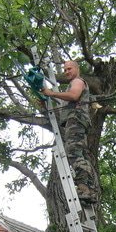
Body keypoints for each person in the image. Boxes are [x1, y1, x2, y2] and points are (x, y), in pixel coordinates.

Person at [41, 60, 99, 205]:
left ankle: (84, 188)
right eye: (65, 70)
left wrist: (51, 92)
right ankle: (89, 190)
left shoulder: (78, 81)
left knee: (73, 152)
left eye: (69, 69)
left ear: (77, 69)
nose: (67, 72)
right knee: (79, 154)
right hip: (77, 120)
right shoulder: (73, 83)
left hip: (76, 120)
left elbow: (73, 95)